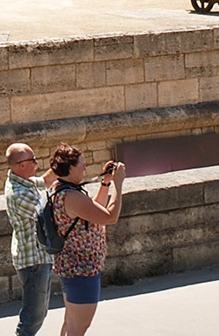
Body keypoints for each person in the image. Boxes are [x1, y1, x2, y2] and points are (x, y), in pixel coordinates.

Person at [48, 144, 124, 336]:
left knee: (70, 324)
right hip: (82, 270)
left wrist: (105, 182)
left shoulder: (62, 189)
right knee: (78, 328)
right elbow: (110, 217)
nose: (85, 169)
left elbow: (94, 212)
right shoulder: (72, 196)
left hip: (72, 266)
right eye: (82, 165)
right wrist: (118, 185)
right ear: (71, 167)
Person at [4, 143, 56, 336]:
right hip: (33, 260)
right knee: (32, 318)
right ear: (21, 165)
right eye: (32, 160)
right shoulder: (18, 194)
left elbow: (45, 181)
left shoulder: (23, 182)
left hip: (37, 257)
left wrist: (60, 166)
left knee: (38, 313)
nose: (37, 163)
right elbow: (49, 214)